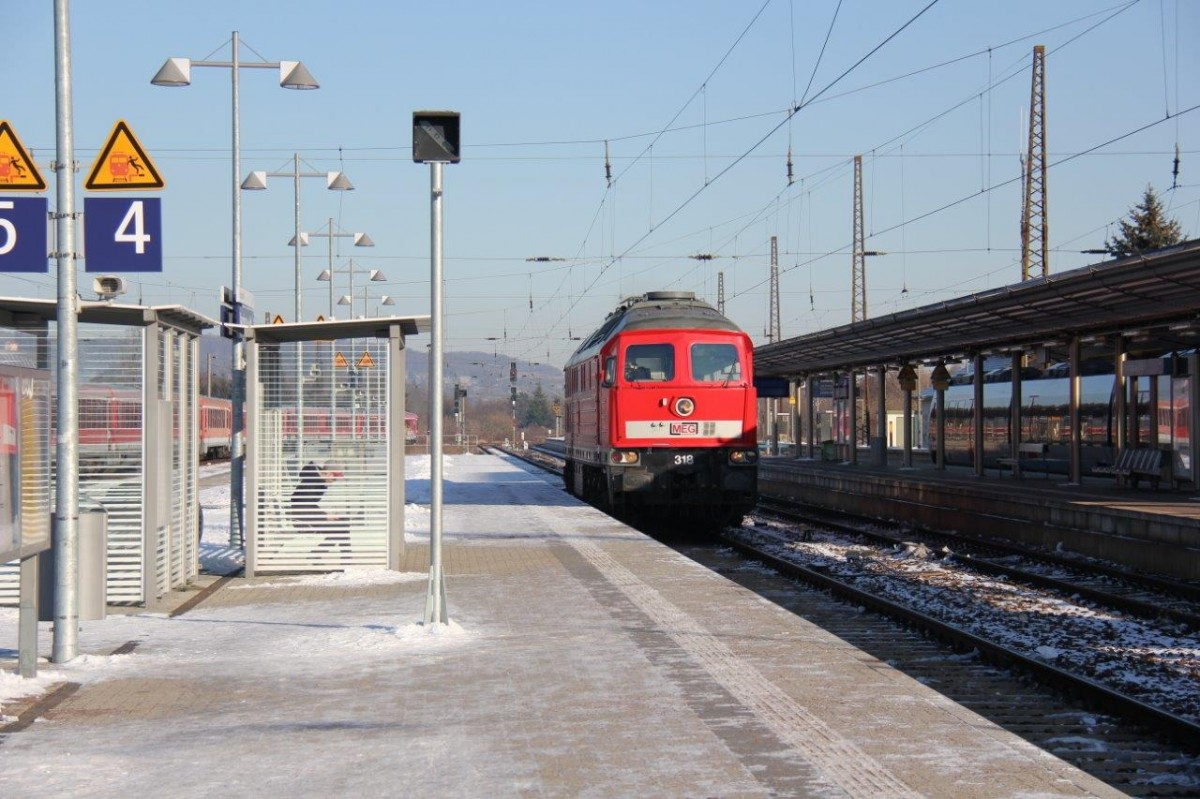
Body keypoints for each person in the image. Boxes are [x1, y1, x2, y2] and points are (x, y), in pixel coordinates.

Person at [289, 460, 350, 554]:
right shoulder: (312, 482)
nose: (334, 482)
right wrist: (325, 516)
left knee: (342, 523)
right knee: (341, 527)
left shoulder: (316, 480)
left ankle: (318, 554)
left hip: (307, 516)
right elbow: (303, 506)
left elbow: (308, 503)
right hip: (302, 519)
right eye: (335, 478)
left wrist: (326, 515)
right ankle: (345, 559)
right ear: (328, 474)